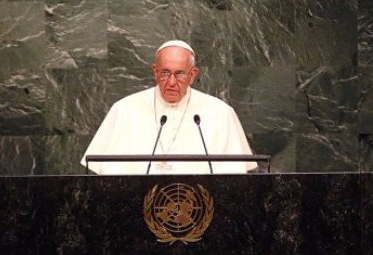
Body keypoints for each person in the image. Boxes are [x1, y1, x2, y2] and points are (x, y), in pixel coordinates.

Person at [81, 40, 256, 175]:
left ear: (192, 75)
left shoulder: (220, 113)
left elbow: (234, 179)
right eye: (165, 73)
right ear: (155, 71)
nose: (171, 82)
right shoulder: (124, 110)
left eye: (179, 74)